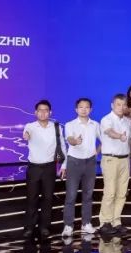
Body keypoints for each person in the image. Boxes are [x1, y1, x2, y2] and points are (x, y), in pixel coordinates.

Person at [23, 100, 65, 240]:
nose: (43, 113)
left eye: (45, 110)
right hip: (34, 167)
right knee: (32, 198)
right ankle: (29, 227)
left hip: (49, 167)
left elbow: (62, 146)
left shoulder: (56, 127)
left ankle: (44, 227)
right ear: (35, 112)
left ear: (50, 112)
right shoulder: (30, 126)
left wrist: (64, 165)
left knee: (48, 198)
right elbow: (26, 133)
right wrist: (26, 135)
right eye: (40, 110)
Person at [62, 97, 99, 238]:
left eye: (87, 107)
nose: (84, 110)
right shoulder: (70, 124)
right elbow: (69, 139)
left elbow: (104, 139)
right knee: (71, 195)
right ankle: (68, 225)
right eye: (81, 107)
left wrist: (97, 151)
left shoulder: (95, 125)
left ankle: (86, 223)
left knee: (88, 195)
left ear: (91, 109)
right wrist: (75, 141)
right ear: (76, 109)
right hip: (74, 162)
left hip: (90, 162)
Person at [98, 94, 131, 237]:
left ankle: (116, 221)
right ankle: (105, 222)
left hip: (125, 159)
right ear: (112, 105)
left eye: (124, 105)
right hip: (110, 159)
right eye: (118, 104)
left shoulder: (128, 122)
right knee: (110, 192)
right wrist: (120, 136)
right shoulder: (106, 119)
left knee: (121, 193)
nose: (121, 107)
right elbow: (109, 132)